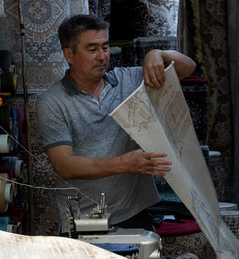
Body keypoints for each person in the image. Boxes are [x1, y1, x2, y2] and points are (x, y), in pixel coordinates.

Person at [36, 14, 197, 236]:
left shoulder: (129, 81)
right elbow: (64, 165)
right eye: (92, 49)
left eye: (105, 47)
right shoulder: (53, 102)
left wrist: (157, 54)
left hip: (135, 213)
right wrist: (124, 164)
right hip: (82, 220)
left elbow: (188, 67)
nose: (102, 56)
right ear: (69, 55)